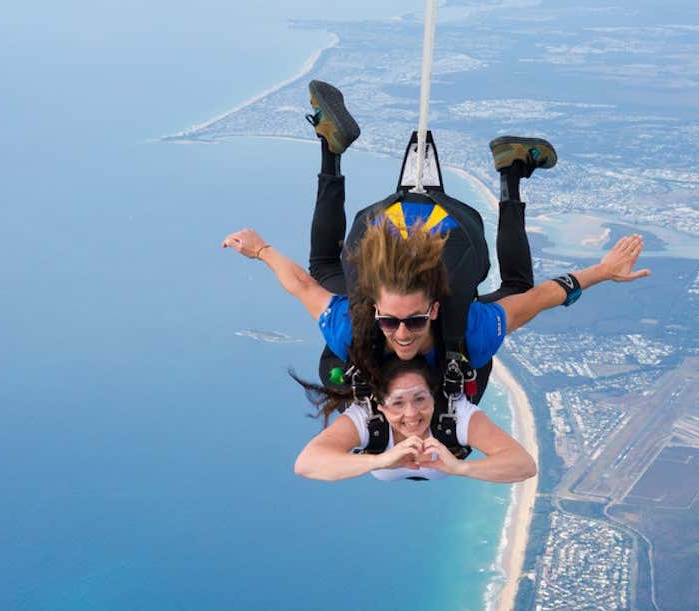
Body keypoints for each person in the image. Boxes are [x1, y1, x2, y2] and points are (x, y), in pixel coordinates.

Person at [220, 81, 651, 404]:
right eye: (393, 322)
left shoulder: (365, 333)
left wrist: (259, 250)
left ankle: (511, 172)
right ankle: (331, 148)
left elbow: (302, 286)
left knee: (327, 271)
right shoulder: (463, 337)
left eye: (409, 321)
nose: (402, 333)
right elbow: (539, 299)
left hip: (427, 225)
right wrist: (604, 272)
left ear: (433, 310)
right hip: (395, 225)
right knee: (328, 268)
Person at [292, 357, 535, 482]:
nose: (411, 415)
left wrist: (461, 467)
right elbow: (306, 464)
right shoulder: (367, 419)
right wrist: (380, 460)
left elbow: (524, 465)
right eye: (398, 403)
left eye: (420, 400)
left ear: (434, 396)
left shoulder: (453, 415)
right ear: (381, 406)